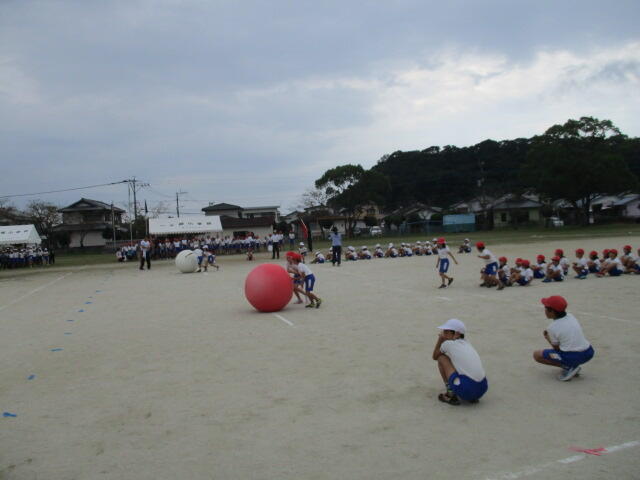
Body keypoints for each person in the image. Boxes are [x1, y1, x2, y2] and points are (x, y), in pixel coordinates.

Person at [533, 295, 595, 381]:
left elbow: (557, 349)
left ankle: (568, 367)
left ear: (552, 311)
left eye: (546, 308)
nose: (545, 311)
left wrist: (548, 338)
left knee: (537, 355)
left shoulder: (552, 328)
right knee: (566, 349)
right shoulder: (571, 316)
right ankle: (571, 365)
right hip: (589, 352)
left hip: (572, 356)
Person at [432, 318, 488, 405]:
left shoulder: (448, 344)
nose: (443, 334)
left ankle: (450, 394)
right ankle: (472, 397)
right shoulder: (467, 343)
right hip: (482, 388)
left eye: (446, 332)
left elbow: (435, 356)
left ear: (457, 334)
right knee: (458, 363)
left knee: (441, 358)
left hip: (466, 389)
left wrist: (440, 339)